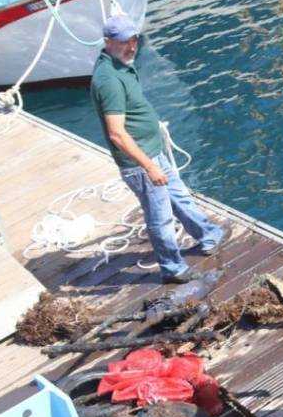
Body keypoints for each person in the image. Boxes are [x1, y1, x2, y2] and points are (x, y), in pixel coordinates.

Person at [90, 14, 223, 283]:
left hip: (154, 151)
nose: (131, 46)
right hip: (142, 163)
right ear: (107, 41)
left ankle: (209, 235)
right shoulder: (109, 80)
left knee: (179, 197)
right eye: (124, 42)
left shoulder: (122, 65)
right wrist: (149, 167)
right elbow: (116, 133)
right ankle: (173, 269)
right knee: (160, 218)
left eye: (134, 39)